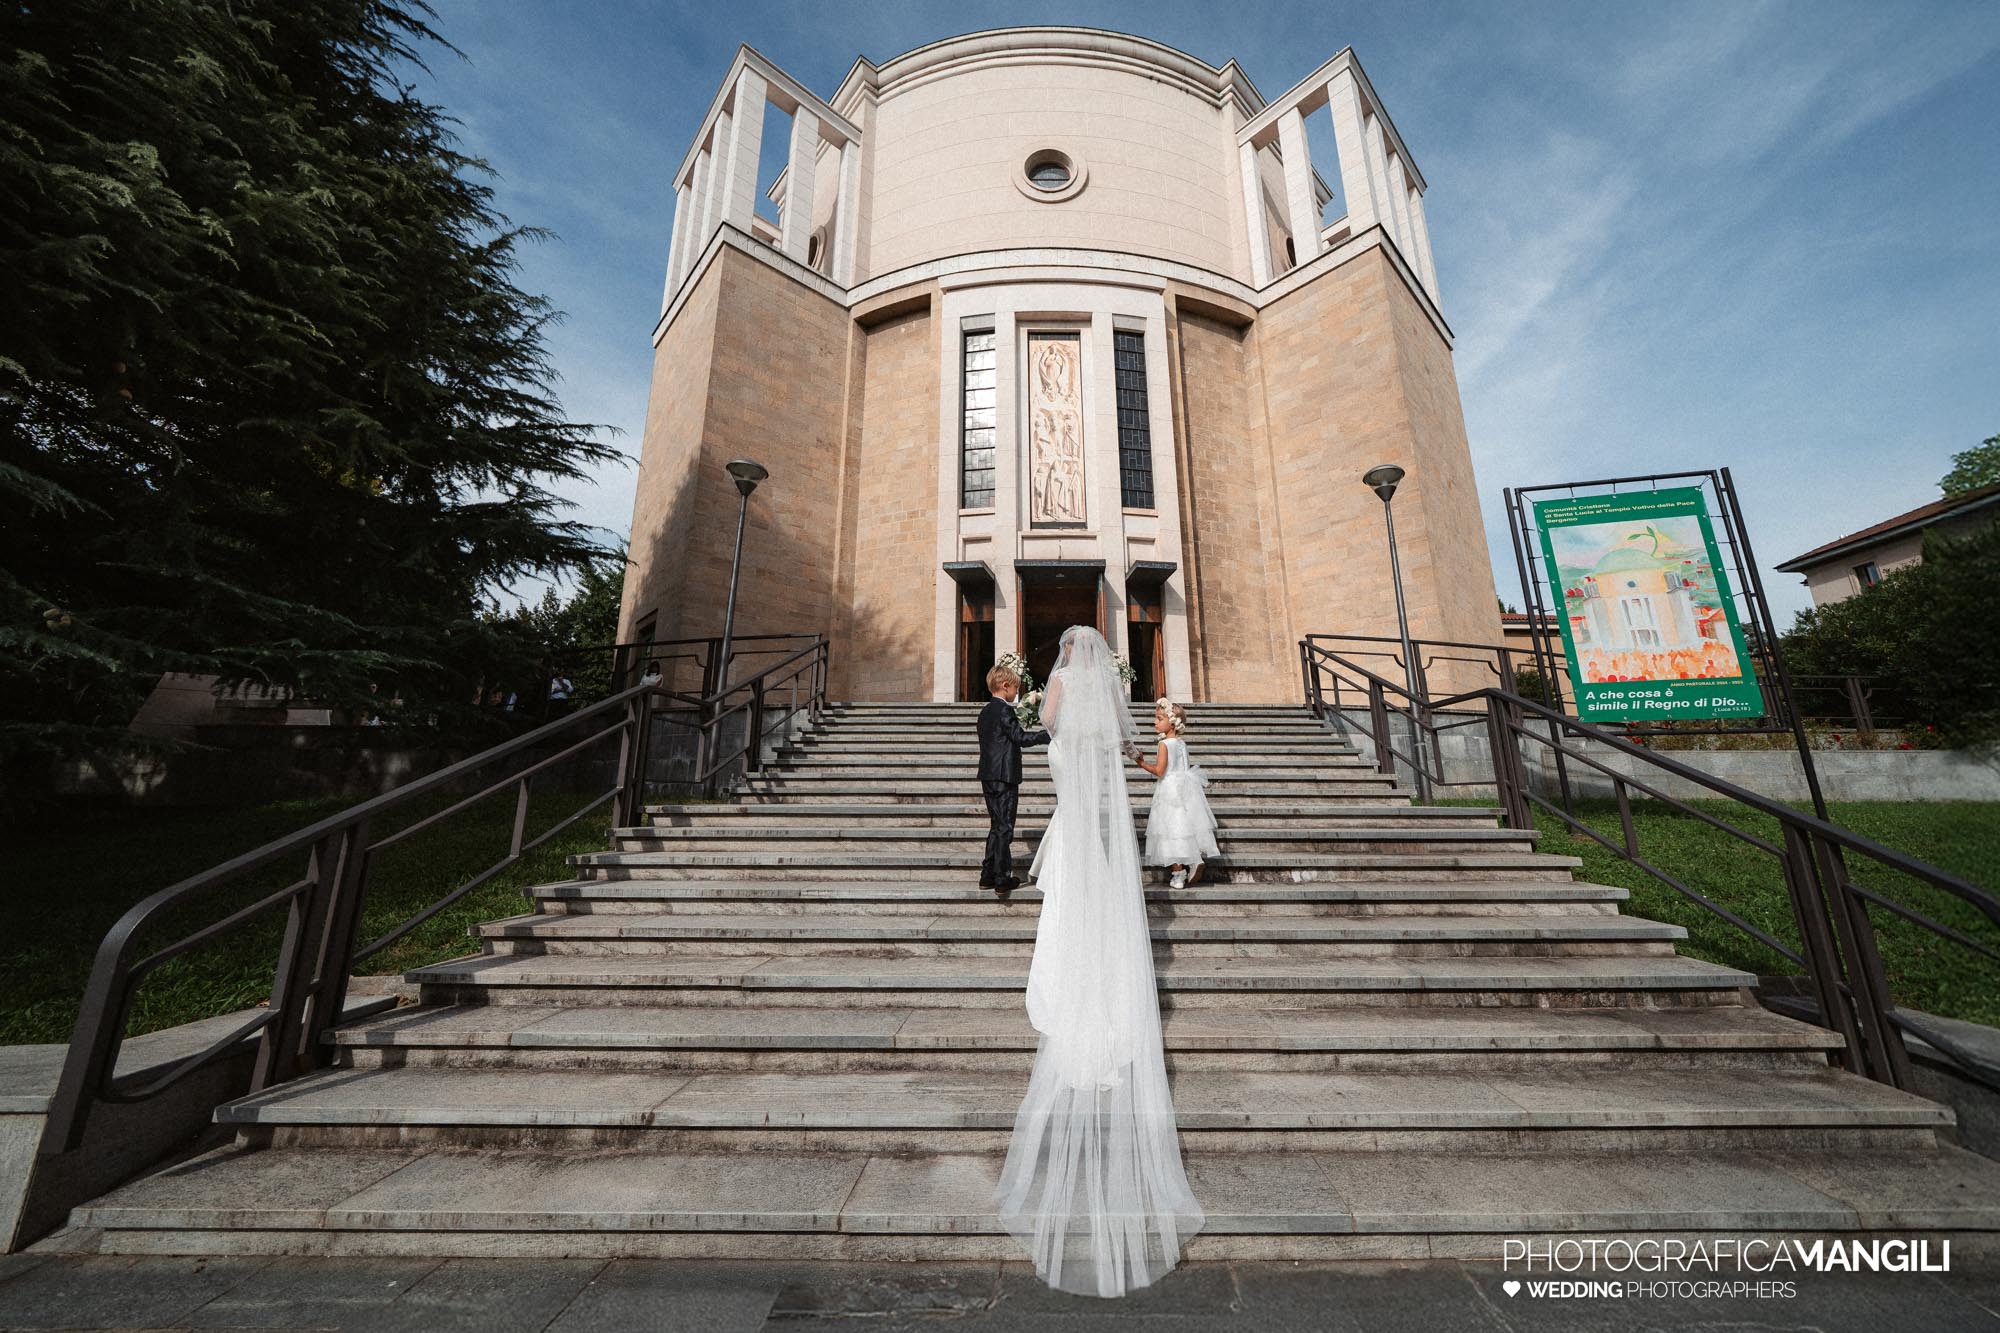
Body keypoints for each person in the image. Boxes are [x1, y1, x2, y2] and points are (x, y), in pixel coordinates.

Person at [996, 626, 1203, 1297]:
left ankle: (1069, 921)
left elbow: (1051, 724)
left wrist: (1039, 710)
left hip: (1068, 775)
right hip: (1097, 778)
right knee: (1090, 836)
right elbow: (1117, 737)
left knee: (1072, 829)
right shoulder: (1108, 685)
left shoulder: (1060, 682)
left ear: (1065, 653)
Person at [978, 663, 1049, 895]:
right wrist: (1046, 735)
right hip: (1004, 776)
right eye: (1015, 688)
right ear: (1005, 685)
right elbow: (1020, 738)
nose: (1016, 692)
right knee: (1005, 828)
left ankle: (987, 875)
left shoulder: (985, 712)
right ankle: (1002, 878)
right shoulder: (1004, 711)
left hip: (988, 775)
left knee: (996, 825)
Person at [1134, 698, 1218, 887]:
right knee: (1184, 827)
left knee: (1168, 830)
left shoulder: (1164, 744)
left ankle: (1178, 874)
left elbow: (1159, 771)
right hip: (1184, 788)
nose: (1155, 722)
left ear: (1172, 723)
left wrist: (1140, 762)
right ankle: (1194, 859)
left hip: (1169, 790)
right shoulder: (1181, 743)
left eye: (1159, 718)